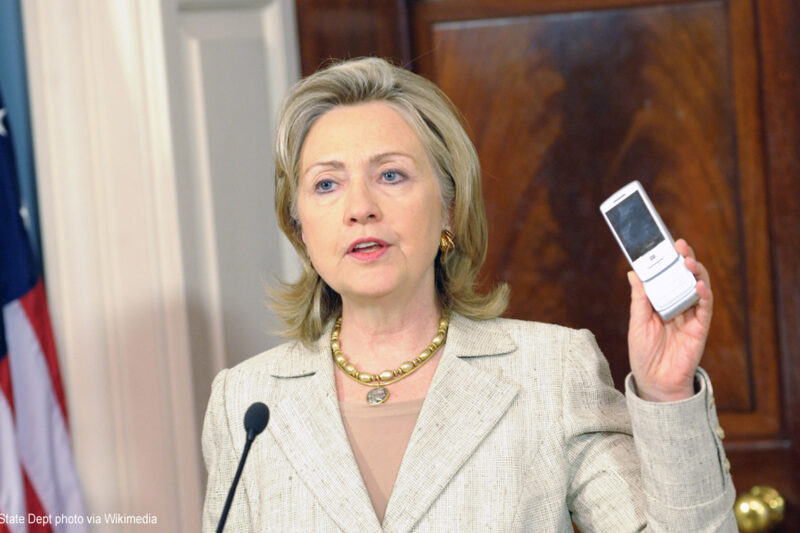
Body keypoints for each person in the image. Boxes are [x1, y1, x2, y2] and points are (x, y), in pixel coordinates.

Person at [202, 57, 737, 532]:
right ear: (299, 227)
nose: (359, 207)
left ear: (450, 209)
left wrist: (667, 395)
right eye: (326, 184)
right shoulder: (246, 402)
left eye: (391, 174)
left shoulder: (551, 372)